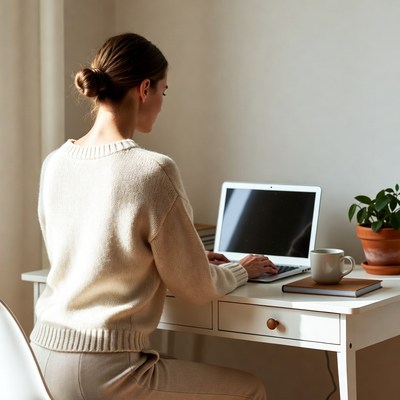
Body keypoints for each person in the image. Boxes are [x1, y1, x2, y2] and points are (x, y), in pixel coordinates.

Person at [30, 32, 278, 400]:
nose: (163, 102)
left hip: (40, 360)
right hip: (105, 369)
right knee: (250, 389)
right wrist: (243, 268)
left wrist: (183, 257)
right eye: (164, 90)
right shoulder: (152, 170)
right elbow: (196, 290)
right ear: (144, 89)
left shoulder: (55, 162)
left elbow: (90, 252)